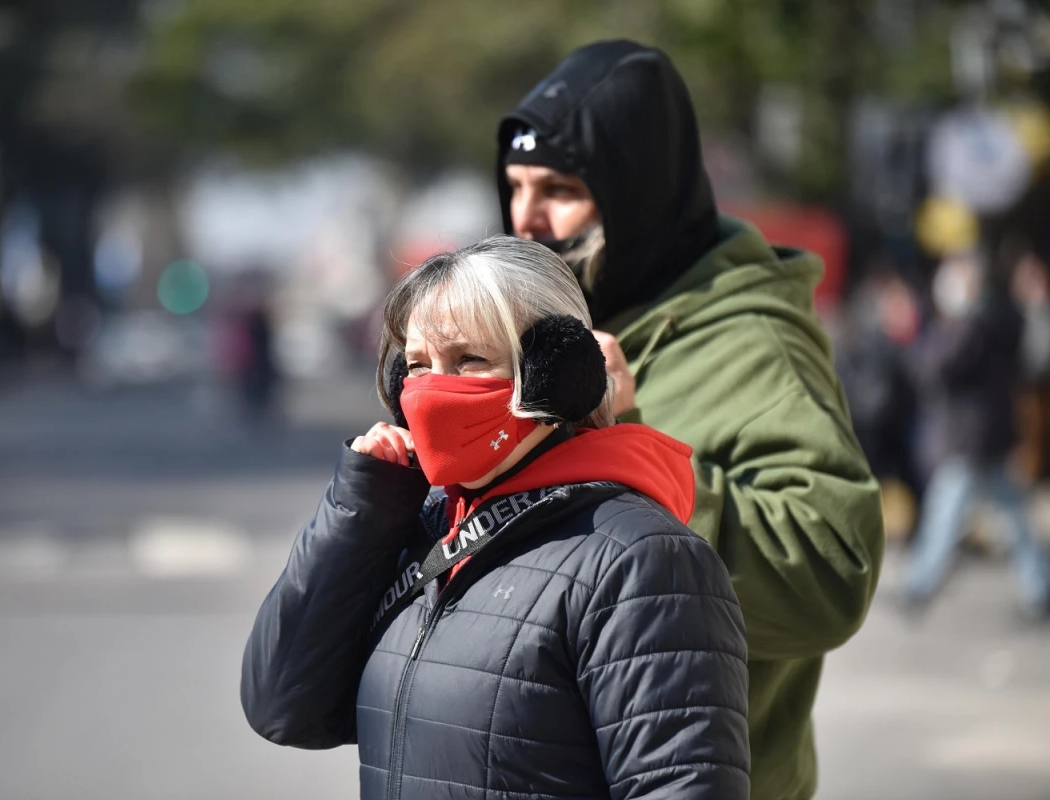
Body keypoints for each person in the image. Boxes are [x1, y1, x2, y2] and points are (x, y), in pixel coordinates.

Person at [496, 40, 884, 800]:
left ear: (635, 193)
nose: (525, 219)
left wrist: (624, 451)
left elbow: (833, 573)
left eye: (559, 189)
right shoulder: (552, 331)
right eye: (513, 185)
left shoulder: (751, 339)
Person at [243, 237, 751, 800]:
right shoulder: (424, 529)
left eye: (469, 359)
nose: (433, 389)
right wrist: (364, 509)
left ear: (553, 374)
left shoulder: (642, 559)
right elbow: (284, 706)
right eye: (416, 366)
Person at [902, 251, 1050, 618]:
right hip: (988, 433)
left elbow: (936, 369)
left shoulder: (973, 324)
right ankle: (1039, 589)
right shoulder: (1000, 316)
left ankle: (921, 585)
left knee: (947, 507)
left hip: (973, 437)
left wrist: (922, 338)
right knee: (1010, 514)